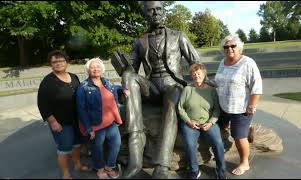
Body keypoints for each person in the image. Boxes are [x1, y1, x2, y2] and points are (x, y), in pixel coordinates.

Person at [120, 1, 201, 179]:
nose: (155, 13)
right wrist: (124, 67)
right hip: (153, 87)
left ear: (164, 11)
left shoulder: (179, 36)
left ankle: (162, 166)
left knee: (172, 102)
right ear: (145, 14)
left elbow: (196, 63)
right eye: (150, 11)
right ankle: (135, 160)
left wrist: (202, 85)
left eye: (158, 9)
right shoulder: (140, 41)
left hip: (174, 84)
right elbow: (131, 69)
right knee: (128, 77)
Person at [214, 35, 263, 176]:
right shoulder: (222, 62)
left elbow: (257, 86)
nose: (229, 49)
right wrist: (204, 83)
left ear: (239, 47)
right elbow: (218, 81)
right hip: (223, 106)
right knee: (221, 127)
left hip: (241, 108)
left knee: (238, 137)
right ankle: (246, 130)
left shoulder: (248, 63)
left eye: (232, 46)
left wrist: (252, 105)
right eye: (226, 46)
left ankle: (244, 162)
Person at [37, 50, 90, 179]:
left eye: (61, 61)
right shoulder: (48, 82)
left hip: (76, 120)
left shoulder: (73, 76)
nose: (58, 64)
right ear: (51, 64)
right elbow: (42, 104)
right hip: (61, 122)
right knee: (64, 148)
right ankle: (66, 174)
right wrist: (53, 122)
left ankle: (77, 164)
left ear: (67, 62)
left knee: (77, 144)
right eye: (54, 62)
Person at [76, 58, 130, 179]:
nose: (96, 69)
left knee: (116, 144)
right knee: (97, 148)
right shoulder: (83, 87)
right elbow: (81, 110)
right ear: (88, 70)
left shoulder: (106, 82)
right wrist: (89, 128)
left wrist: (123, 89)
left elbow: (115, 88)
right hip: (96, 124)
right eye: (92, 67)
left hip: (110, 122)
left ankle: (109, 167)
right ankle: (100, 169)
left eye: (98, 67)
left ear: (102, 69)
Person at [178, 63, 226, 179]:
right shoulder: (187, 89)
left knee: (218, 143)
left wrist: (211, 122)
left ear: (204, 75)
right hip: (191, 124)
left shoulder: (211, 90)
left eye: (199, 73)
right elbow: (180, 108)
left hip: (208, 122)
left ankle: (221, 170)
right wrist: (188, 121)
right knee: (190, 145)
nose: (196, 76)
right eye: (193, 74)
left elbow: (216, 110)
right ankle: (194, 171)